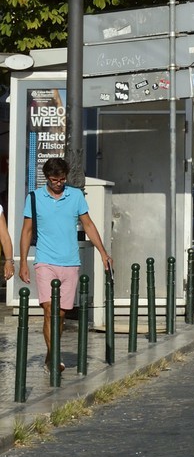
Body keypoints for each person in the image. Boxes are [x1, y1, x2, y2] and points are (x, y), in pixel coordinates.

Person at [19, 158, 111, 369]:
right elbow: (26, 231)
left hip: (70, 262)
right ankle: (55, 357)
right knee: (49, 310)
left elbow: (88, 224)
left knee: (60, 314)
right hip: (45, 261)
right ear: (47, 178)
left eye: (62, 179)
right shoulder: (34, 198)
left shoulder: (75, 196)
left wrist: (103, 253)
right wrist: (23, 262)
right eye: (54, 180)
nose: (59, 183)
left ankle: (51, 354)